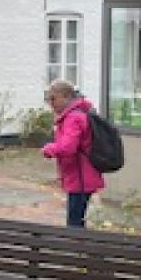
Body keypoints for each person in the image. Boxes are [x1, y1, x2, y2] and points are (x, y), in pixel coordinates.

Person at [42, 79, 105, 226]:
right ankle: (76, 246)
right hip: (80, 176)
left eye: (53, 99)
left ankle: (75, 247)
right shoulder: (80, 113)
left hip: (81, 177)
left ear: (65, 96)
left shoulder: (73, 117)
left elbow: (68, 147)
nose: (51, 104)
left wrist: (49, 149)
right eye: (48, 99)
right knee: (77, 219)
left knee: (74, 221)